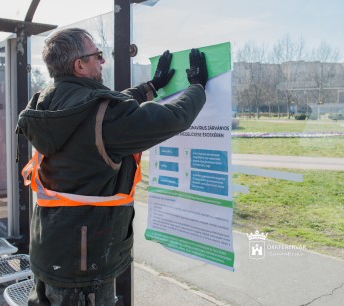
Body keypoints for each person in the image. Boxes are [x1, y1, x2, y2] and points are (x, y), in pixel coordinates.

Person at [16, 27, 208, 306]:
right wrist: (198, 87)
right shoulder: (102, 117)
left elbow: (100, 108)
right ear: (80, 64)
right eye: (98, 55)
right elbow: (173, 117)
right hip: (85, 261)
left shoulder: (46, 101)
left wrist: (150, 87)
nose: (102, 61)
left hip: (48, 245)